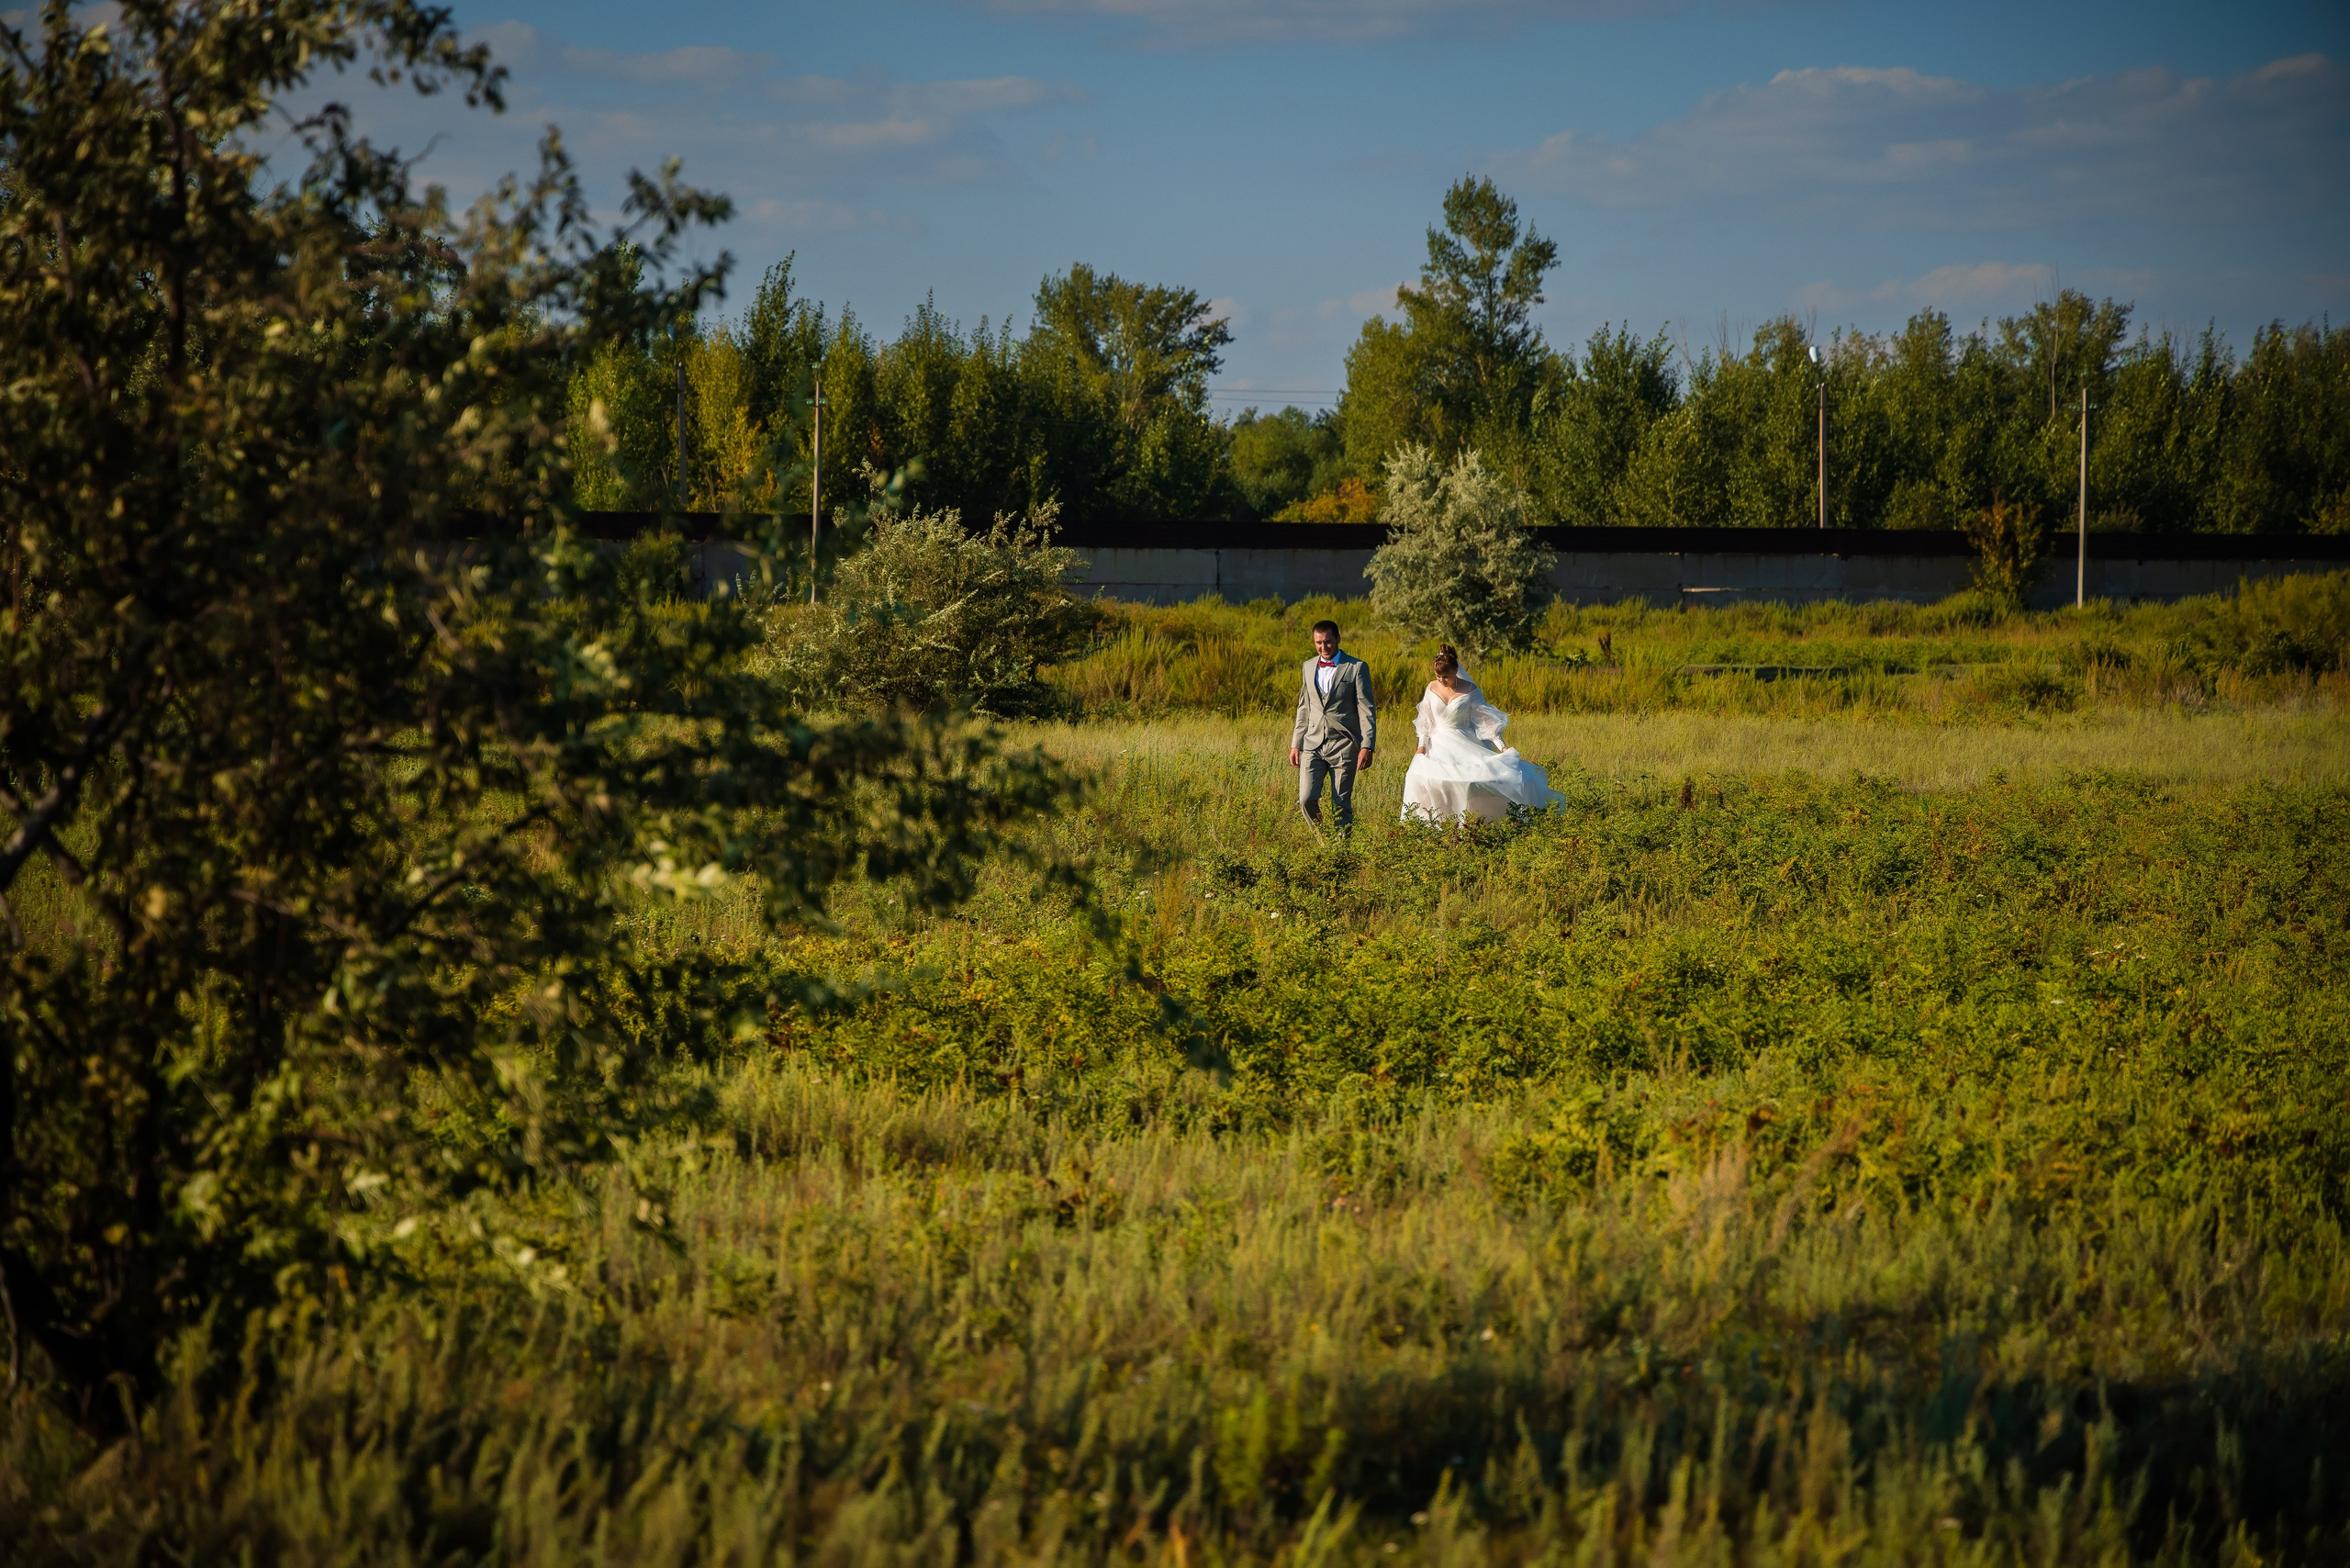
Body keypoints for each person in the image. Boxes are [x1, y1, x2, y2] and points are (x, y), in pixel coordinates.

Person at [1402, 644, 1562, 824]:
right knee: (1425, 776)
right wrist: (1421, 746)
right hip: (1438, 743)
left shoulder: (1470, 689)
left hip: (1463, 741)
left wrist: (1501, 745)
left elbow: (1484, 719)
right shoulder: (1432, 687)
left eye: (1445, 676)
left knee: (1473, 780)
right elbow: (1426, 719)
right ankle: (1435, 823)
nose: (1441, 680)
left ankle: (1475, 820)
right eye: (1438, 676)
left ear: (1456, 670)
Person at [1289, 619, 1376, 835]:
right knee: (1306, 798)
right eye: (1318, 643)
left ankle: (1341, 854)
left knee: (1341, 803)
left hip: (1344, 745)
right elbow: (1304, 708)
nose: (1323, 647)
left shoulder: (1356, 667)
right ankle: (1324, 842)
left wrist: (1367, 746)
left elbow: (1366, 709)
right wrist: (1295, 744)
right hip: (1313, 743)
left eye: (1327, 642)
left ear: (1338, 639)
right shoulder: (1308, 667)